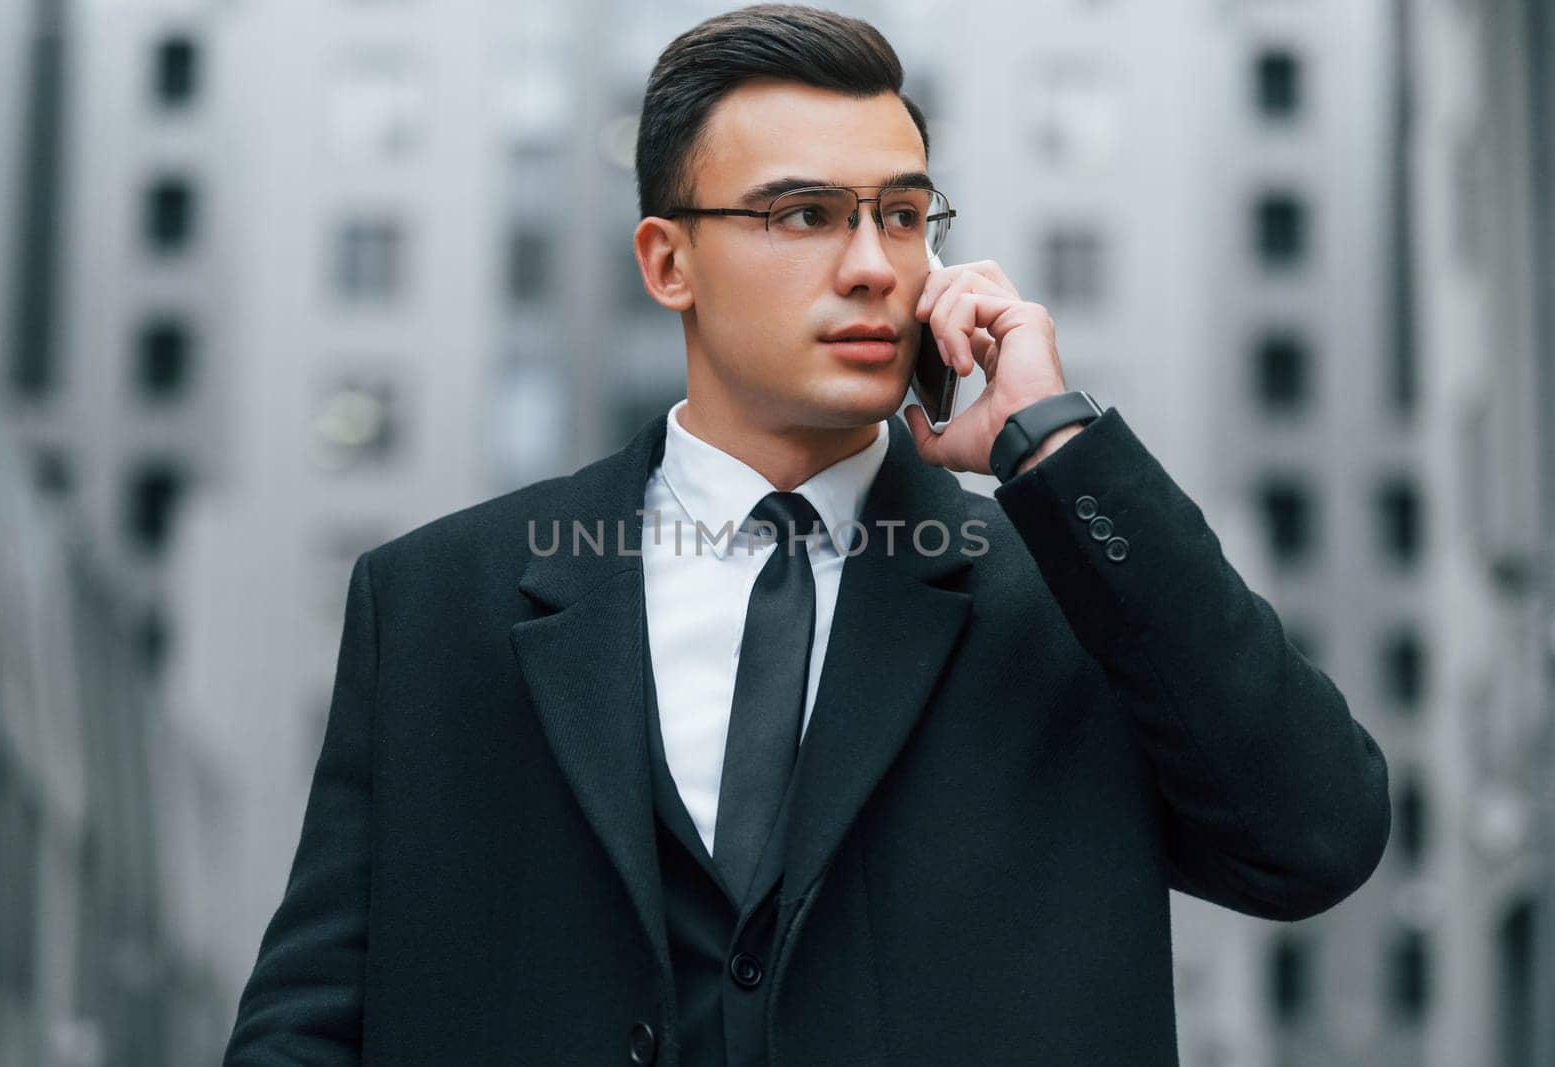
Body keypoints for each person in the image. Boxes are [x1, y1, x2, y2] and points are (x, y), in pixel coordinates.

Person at [223, 5, 1390, 1065]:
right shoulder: (437, 601)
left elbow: (1314, 838)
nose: (874, 265)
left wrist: (1052, 445)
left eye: (901, 214)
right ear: (666, 262)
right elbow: (312, 1018)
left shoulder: (1070, 597)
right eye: (804, 215)